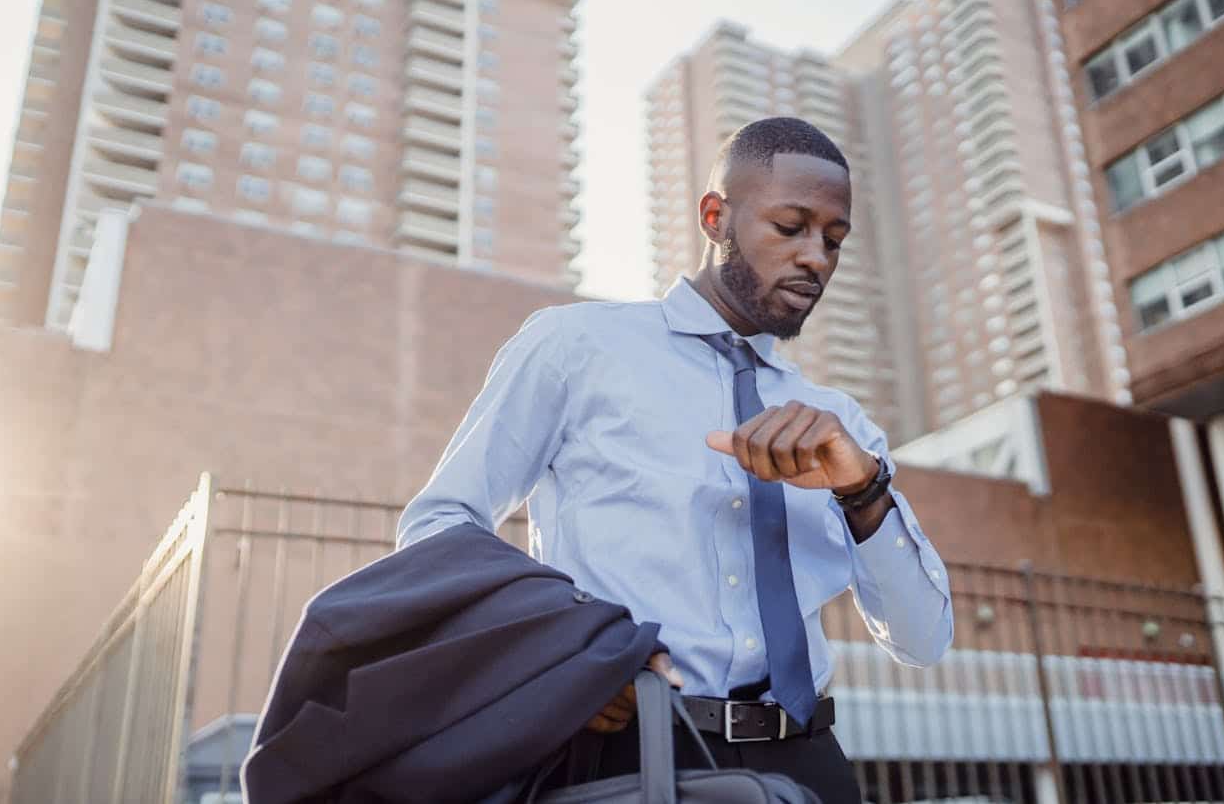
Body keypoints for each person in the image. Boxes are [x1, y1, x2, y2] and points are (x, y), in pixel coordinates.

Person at [397, 117, 953, 803]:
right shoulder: (576, 348)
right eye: (791, 227)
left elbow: (924, 639)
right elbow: (440, 524)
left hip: (810, 766)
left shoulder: (841, 425)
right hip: (625, 750)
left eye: (833, 240)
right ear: (715, 216)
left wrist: (862, 489)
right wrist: (562, 649)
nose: (816, 257)